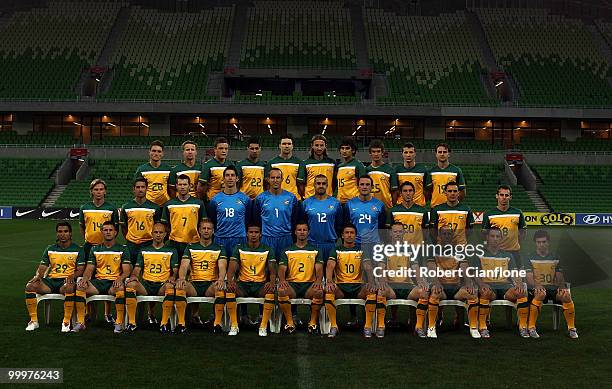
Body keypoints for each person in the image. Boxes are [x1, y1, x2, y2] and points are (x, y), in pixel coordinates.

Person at [24, 222, 85, 332]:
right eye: (60, 231)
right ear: (57, 234)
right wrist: (38, 275)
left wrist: (72, 276)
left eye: (65, 231)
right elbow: (43, 266)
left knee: (70, 288)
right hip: (51, 281)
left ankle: (66, 322)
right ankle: (34, 321)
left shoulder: (78, 249)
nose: (63, 234)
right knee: (30, 286)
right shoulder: (50, 248)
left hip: (66, 282)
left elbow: (81, 270)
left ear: (70, 233)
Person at [374, 222, 429, 338]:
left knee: (423, 292)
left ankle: (418, 327)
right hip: (391, 287)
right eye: (395, 232)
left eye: (400, 231)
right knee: (381, 291)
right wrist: (382, 281)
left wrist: (420, 281)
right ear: (390, 233)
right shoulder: (384, 248)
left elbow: (415, 267)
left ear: (404, 233)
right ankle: (380, 326)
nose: (398, 234)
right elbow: (381, 267)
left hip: (407, 286)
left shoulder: (410, 249)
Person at [472, 228, 529, 338]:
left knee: (521, 293)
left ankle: (523, 327)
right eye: (492, 236)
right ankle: (483, 327)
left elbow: (514, 273)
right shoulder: (479, 254)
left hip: (505, 287)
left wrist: (519, 284)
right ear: (487, 237)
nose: (495, 239)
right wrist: (482, 285)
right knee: (485, 292)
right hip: (489, 287)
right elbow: (475, 273)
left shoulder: (508, 255)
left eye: (498, 237)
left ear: (501, 239)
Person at [75, 222, 131, 333]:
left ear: (115, 232)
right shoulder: (95, 249)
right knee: (80, 286)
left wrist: (120, 279)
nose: (108, 232)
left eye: (110, 230)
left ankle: (119, 322)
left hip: (113, 283)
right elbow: (89, 269)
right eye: (105, 230)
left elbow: (127, 271)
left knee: (120, 288)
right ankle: (81, 322)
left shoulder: (123, 249)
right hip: (99, 283)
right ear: (102, 232)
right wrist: (85, 278)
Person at [175, 220, 228, 334]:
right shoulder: (191, 247)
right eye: (203, 228)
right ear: (199, 230)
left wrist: (221, 279)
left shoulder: (219, 248)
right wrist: (181, 278)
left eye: (209, 229)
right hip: (194, 284)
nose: (206, 231)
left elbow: (222, 266)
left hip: (210, 284)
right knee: (180, 287)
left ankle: (217, 324)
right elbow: (184, 265)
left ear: (213, 231)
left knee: (219, 288)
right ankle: (181, 323)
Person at [426, 226, 479, 339]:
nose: (446, 236)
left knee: (472, 294)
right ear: (439, 236)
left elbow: (464, 267)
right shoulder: (432, 249)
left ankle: (473, 328)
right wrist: (436, 282)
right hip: (441, 287)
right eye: (444, 234)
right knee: (435, 294)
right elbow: (431, 267)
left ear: (452, 236)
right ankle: (431, 327)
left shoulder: (459, 250)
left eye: (449, 234)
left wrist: (469, 283)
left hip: (456, 287)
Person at [124, 222, 178, 333]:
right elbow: (137, 269)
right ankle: (132, 322)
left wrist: (173, 277)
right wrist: (134, 276)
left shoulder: (172, 250)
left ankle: (163, 323)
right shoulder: (144, 250)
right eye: (156, 232)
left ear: (165, 235)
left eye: (161, 232)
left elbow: (176, 270)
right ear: (151, 233)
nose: (158, 235)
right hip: (146, 285)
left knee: (170, 286)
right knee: (130, 284)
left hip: (162, 285)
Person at [325, 224, 377, 338]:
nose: (349, 235)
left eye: (352, 233)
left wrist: (372, 282)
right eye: (347, 233)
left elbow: (368, 266)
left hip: (358, 287)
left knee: (371, 291)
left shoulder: (362, 250)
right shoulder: (336, 249)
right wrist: (329, 281)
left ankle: (367, 327)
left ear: (355, 235)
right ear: (342, 235)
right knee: (329, 291)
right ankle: (334, 326)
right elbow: (330, 265)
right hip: (341, 287)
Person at [79, 178, 119, 324]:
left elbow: (116, 229)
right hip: (89, 246)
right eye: (96, 189)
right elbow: (82, 226)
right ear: (91, 191)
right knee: (88, 278)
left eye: (101, 189)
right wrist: (87, 239)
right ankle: (89, 312)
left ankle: (108, 313)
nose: (99, 192)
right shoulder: (84, 207)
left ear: (105, 191)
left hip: (105, 248)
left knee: (107, 278)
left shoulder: (111, 208)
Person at [525, 230, 578, 339]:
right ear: (535, 243)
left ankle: (571, 329)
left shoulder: (555, 257)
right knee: (540, 294)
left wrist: (562, 287)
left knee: (566, 296)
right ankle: (531, 328)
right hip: (536, 289)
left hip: (552, 289)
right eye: (539, 242)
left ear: (548, 242)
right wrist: (536, 286)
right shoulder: (529, 257)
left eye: (544, 242)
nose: (541, 245)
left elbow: (559, 275)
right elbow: (529, 277)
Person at [226, 224, 277, 337]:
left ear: (260, 234)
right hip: (243, 285)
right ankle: (234, 325)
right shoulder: (239, 248)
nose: (253, 235)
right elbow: (231, 268)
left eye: (256, 232)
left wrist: (272, 282)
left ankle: (263, 326)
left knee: (270, 291)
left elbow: (273, 271)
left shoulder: (267, 249)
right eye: (251, 232)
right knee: (230, 290)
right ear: (246, 234)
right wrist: (230, 281)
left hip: (260, 285)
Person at [277, 223, 324, 334]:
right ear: (295, 232)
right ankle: (290, 322)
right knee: (281, 290)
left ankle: (312, 323)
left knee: (319, 291)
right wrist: (283, 280)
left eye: (304, 230)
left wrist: (318, 280)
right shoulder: (287, 250)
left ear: (308, 232)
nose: (302, 232)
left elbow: (319, 269)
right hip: (292, 285)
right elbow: (281, 269)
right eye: (299, 230)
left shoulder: (315, 250)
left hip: (309, 285)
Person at [253, 168, 300, 261]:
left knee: (285, 270)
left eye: (278, 178)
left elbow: (295, 219)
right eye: (272, 178)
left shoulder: (291, 198)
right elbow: (256, 220)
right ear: (268, 179)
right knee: (268, 270)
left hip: (286, 238)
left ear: (282, 179)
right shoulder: (260, 198)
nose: (275, 180)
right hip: (267, 238)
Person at [208, 166, 252, 258]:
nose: (230, 178)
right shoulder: (215, 200)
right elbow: (213, 219)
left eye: (232, 175)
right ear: (223, 179)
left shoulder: (245, 199)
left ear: (237, 178)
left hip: (239, 238)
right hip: (220, 238)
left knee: (237, 269)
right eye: (227, 175)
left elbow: (247, 219)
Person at [160, 175, 207, 259]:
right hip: (174, 243)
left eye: (185, 184)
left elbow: (202, 223)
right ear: (176, 186)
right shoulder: (169, 204)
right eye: (180, 184)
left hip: (193, 242)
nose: (182, 187)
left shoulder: (198, 203)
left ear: (190, 186)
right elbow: (165, 225)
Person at [482, 185, 527, 268]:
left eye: (506, 195)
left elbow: (523, 232)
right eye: (501, 195)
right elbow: (485, 234)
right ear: (497, 196)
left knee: (517, 277)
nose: (504, 197)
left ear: (510, 197)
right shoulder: (489, 214)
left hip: (514, 252)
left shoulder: (517, 212)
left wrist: (516, 243)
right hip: (497, 253)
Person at [302, 174, 343, 263]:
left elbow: (339, 224)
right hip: (311, 244)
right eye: (318, 183)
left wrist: (334, 237)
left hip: (330, 244)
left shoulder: (335, 203)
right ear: (314, 185)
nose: (321, 186)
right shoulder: (306, 203)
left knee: (330, 274)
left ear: (327, 185)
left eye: (323, 183)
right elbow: (303, 224)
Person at [120, 178, 161, 266]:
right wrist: (130, 238)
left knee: (147, 269)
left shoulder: (154, 207)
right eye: (138, 187)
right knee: (130, 270)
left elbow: (157, 226)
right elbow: (124, 227)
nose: (140, 189)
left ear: (147, 188)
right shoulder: (126, 207)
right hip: (131, 244)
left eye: (143, 187)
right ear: (133, 189)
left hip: (148, 242)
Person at [343, 175, 386, 252]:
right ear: (358, 187)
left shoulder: (379, 205)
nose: (364, 187)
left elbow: (381, 226)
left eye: (367, 184)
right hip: (355, 244)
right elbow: (346, 224)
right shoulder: (350, 204)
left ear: (372, 187)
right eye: (362, 184)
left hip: (374, 244)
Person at [430, 182, 474, 246]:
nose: (452, 193)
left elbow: (470, 230)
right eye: (450, 191)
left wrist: (460, 239)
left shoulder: (466, 209)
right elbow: (432, 231)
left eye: (455, 191)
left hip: (460, 247)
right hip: (442, 247)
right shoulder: (437, 210)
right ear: (445, 193)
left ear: (458, 193)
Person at [387, 181, 429, 246]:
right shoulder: (393, 211)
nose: (408, 193)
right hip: (399, 249)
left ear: (414, 192)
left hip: (417, 249)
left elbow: (425, 233)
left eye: (410, 190)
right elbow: (388, 232)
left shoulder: (422, 211)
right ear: (401, 193)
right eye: (405, 191)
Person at [426, 143, 466, 209]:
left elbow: (462, 191)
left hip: (452, 208)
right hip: (435, 208)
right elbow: (428, 192)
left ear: (448, 154)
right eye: (440, 152)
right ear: (436, 154)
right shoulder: (431, 172)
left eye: (444, 152)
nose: (442, 154)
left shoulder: (456, 170)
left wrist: (454, 203)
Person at [134, 140, 172, 206]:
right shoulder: (142, 170)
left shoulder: (168, 170)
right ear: (149, 152)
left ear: (162, 153)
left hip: (164, 206)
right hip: (148, 206)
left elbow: (171, 189)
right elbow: (137, 189)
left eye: (159, 151)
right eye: (154, 151)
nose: (156, 153)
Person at [298, 134, 335, 199]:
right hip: (310, 199)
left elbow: (334, 182)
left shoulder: (332, 163)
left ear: (325, 146)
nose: (319, 148)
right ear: (312, 146)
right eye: (316, 145)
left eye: (321, 145)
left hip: (328, 199)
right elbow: (301, 185)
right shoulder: (305, 163)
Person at [265, 134, 302, 199]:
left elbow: (300, 184)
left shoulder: (299, 163)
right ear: (280, 146)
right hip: (276, 198)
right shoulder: (271, 163)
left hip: (294, 199)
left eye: (289, 144)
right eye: (284, 144)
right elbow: (267, 184)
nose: (286, 146)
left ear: (292, 146)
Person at [366, 139, 397, 209]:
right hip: (370, 207)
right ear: (370, 153)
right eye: (373, 152)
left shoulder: (390, 170)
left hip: (386, 207)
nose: (376, 154)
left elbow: (394, 192)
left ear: (382, 153)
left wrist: (393, 207)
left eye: (378, 151)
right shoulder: (366, 170)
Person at [394, 142, 428, 207]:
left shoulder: (423, 170)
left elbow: (426, 191)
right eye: (406, 152)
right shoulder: (397, 170)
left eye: (411, 152)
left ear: (415, 154)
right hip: (401, 207)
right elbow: (396, 191)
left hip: (419, 207)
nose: (408, 155)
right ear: (402, 154)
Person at [199, 137, 233, 202]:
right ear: (215, 149)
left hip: (227, 201)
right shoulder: (208, 165)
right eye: (221, 148)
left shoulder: (231, 165)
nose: (224, 151)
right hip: (213, 201)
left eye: (226, 149)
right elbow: (201, 187)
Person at [335, 137, 366, 204]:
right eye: (342, 148)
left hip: (353, 203)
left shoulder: (358, 165)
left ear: (353, 150)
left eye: (347, 148)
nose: (344, 151)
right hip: (339, 202)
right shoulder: (339, 166)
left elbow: (364, 186)